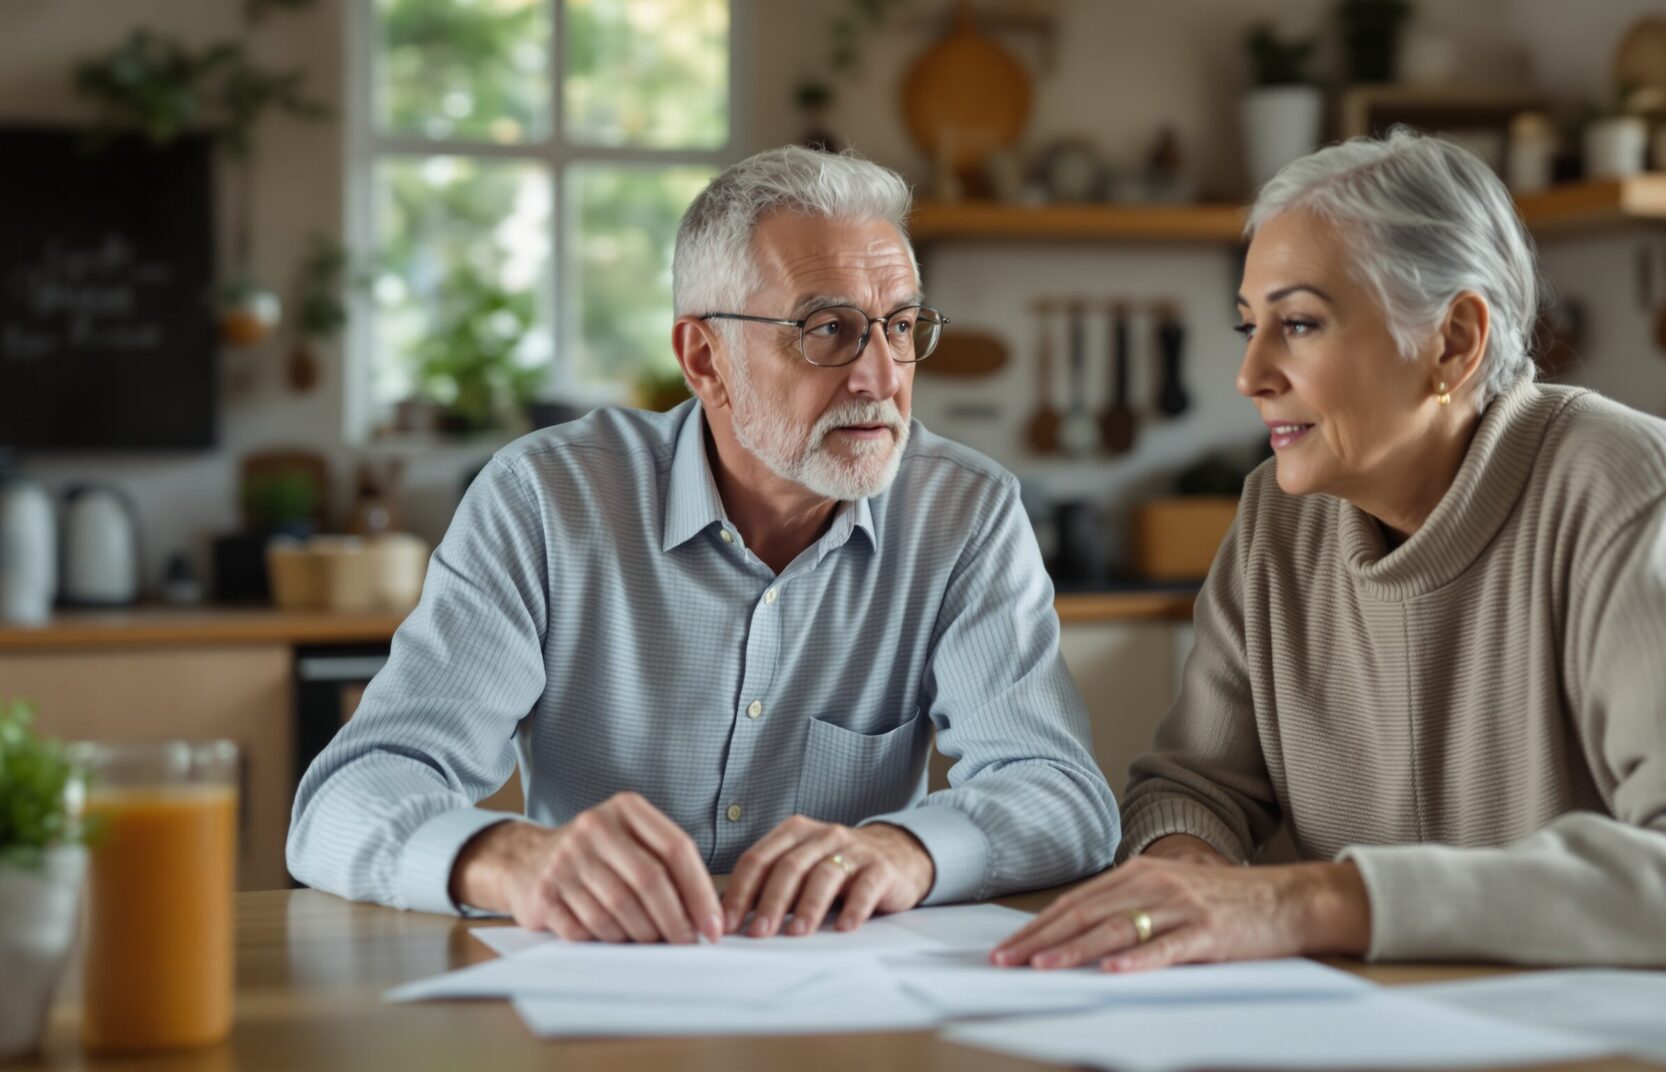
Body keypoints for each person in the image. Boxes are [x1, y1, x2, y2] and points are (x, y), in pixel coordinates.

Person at [994, 129, 1666, 973]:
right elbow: (1194, 789)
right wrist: (1188, 875)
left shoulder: (1631, 485)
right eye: (1250, 326)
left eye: (1297, 323)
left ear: (1454, 342)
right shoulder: (1276, 521)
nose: (1249, 375)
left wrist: (1302, 902)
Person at [289, 146, 1119, 944]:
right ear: (704, 357)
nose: (880, 375)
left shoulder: (965, 514)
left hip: (845, 1004)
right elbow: (345, 799)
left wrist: (907, 850)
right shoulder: (544, 500)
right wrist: (509, 859)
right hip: (595, 995)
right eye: (829, 329)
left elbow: (1062, 795)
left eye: (899, 327)